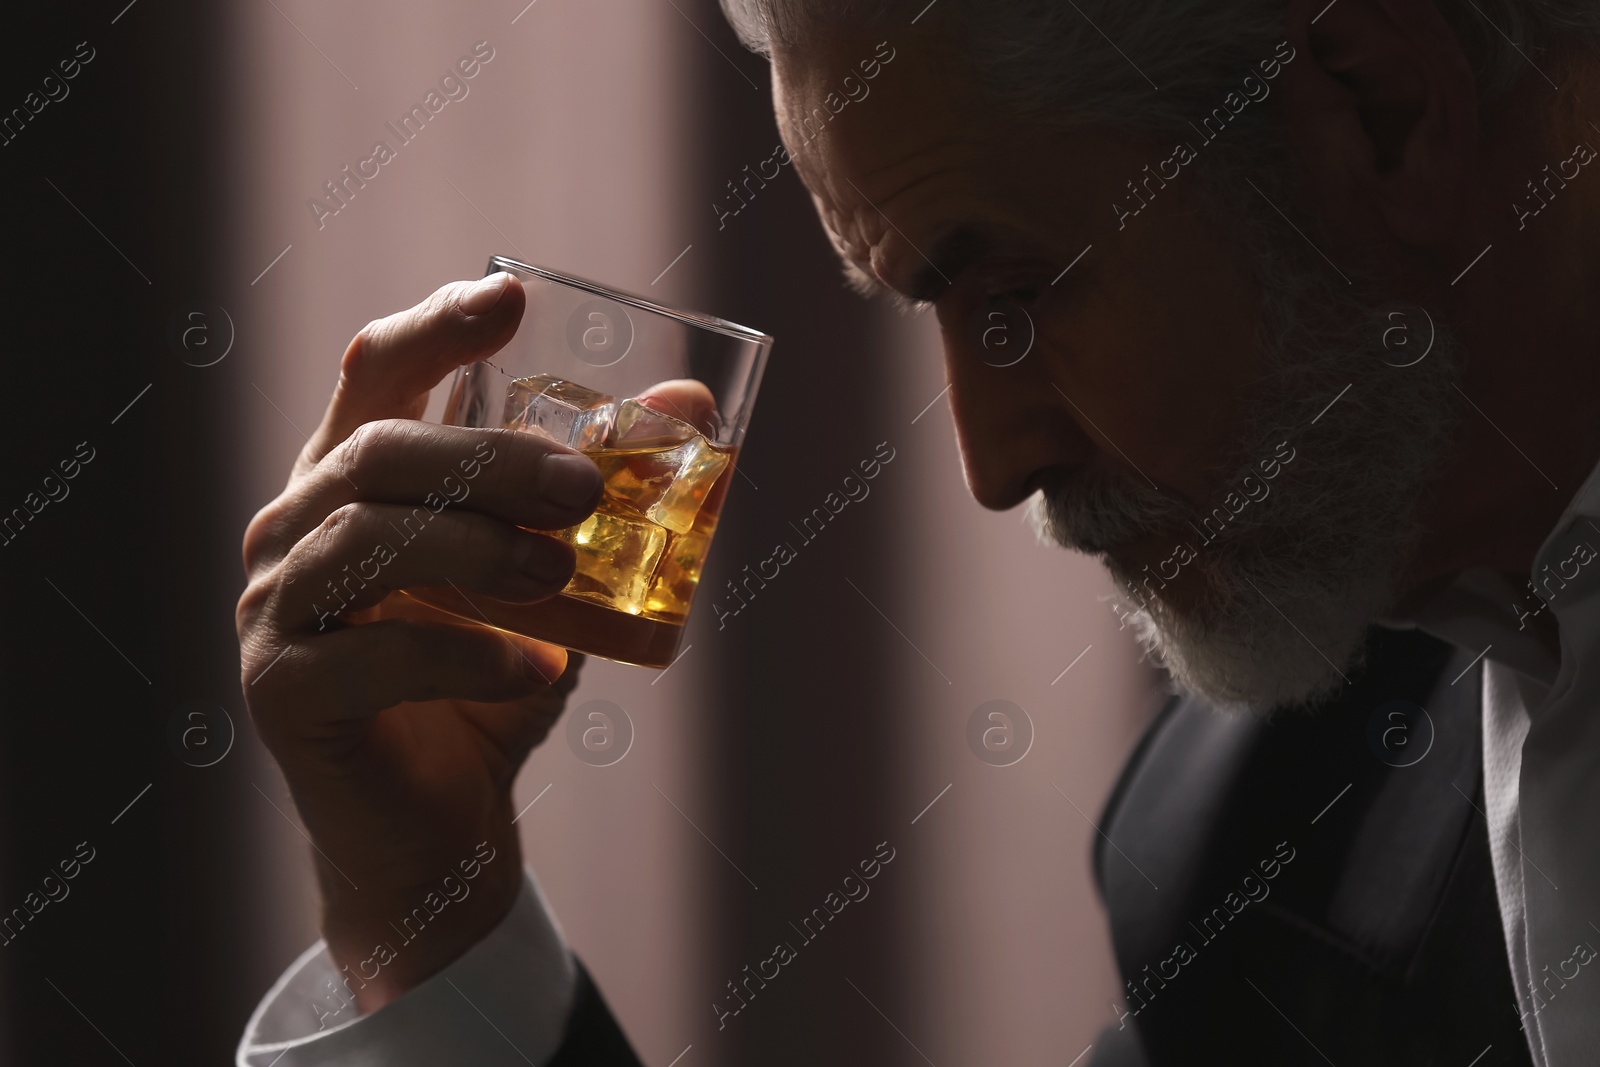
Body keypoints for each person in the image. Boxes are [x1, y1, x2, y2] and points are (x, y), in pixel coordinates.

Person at [235, 0, 1600, 1063]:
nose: (995, 466)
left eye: (1018, 292)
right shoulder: (1250, 844)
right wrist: (426, 905)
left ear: (1381, 109)